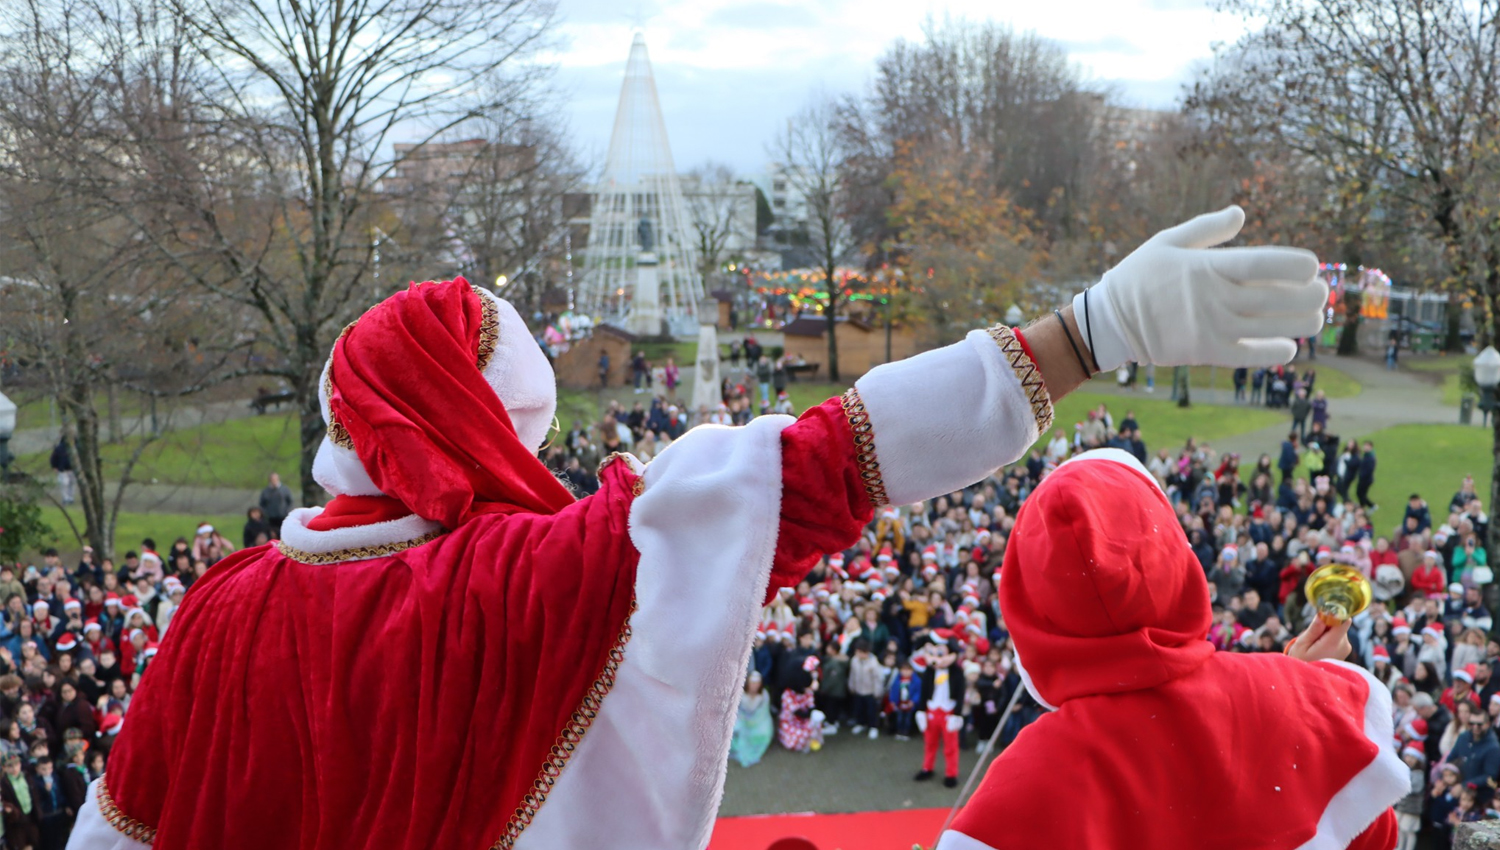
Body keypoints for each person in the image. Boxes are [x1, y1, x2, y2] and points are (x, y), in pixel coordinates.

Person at [73, 209, 1329, 850]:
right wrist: (1087, 330)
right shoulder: (527, 579)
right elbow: (828, 463)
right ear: (482, 427)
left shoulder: (215, 611)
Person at [933, 451, 1406, 850]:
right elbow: (1372, 833)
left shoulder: (1023, 784)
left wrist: (1285, 692)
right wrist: (1292, 703)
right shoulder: (1297, 697)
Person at [914, 635, 966, 788]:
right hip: (931, 711)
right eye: (931, 653)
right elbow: (923, 692)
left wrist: (957, 714)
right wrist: (921, 711)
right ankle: (927, 768)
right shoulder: (929, 672)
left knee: (950, 746)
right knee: (929, 743)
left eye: (940, 654)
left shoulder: (957, 672)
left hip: (948, 713)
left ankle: (951, 773)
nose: (934, 659)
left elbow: (961, 694)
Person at [730, 673, 772, 768]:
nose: (755, 686)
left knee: (764, 732)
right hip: (742, 719)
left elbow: (763, 712)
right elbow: (737, 710)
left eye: (757, 683)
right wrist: (744, 719)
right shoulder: (740, 694)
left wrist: (753, 721)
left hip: (758, 721)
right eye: (752, 683)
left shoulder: (764, 695)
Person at [257, 473, 295, 540]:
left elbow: (290, 502)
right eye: (272, 479)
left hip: (283, 517)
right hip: (270, 518)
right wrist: (266, 513)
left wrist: (286, 511)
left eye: (275, 479)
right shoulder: (266, 491)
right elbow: (262, 504)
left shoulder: (285, 490)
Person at [49, 437, 74, 507]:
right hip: (62, 470)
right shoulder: (59, 448)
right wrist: (54, 467)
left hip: (72, 469)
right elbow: (53, 458)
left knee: (71, 483)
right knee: (64, 484)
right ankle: (65, 498)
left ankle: (70, 497)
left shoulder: (74, 447)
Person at [1356, 440, 1377, 510]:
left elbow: (1369, 470)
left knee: (1361, 494)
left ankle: (1371, 506)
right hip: (1363, 478)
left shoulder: (1371, 457)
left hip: (1366, 480)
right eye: (1364, 445)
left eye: (1367, 446)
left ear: (1371, 447)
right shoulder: (1366, 455)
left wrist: (1361, 475)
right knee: (1360, 493)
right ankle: (1363, 506)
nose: (1365, 447)